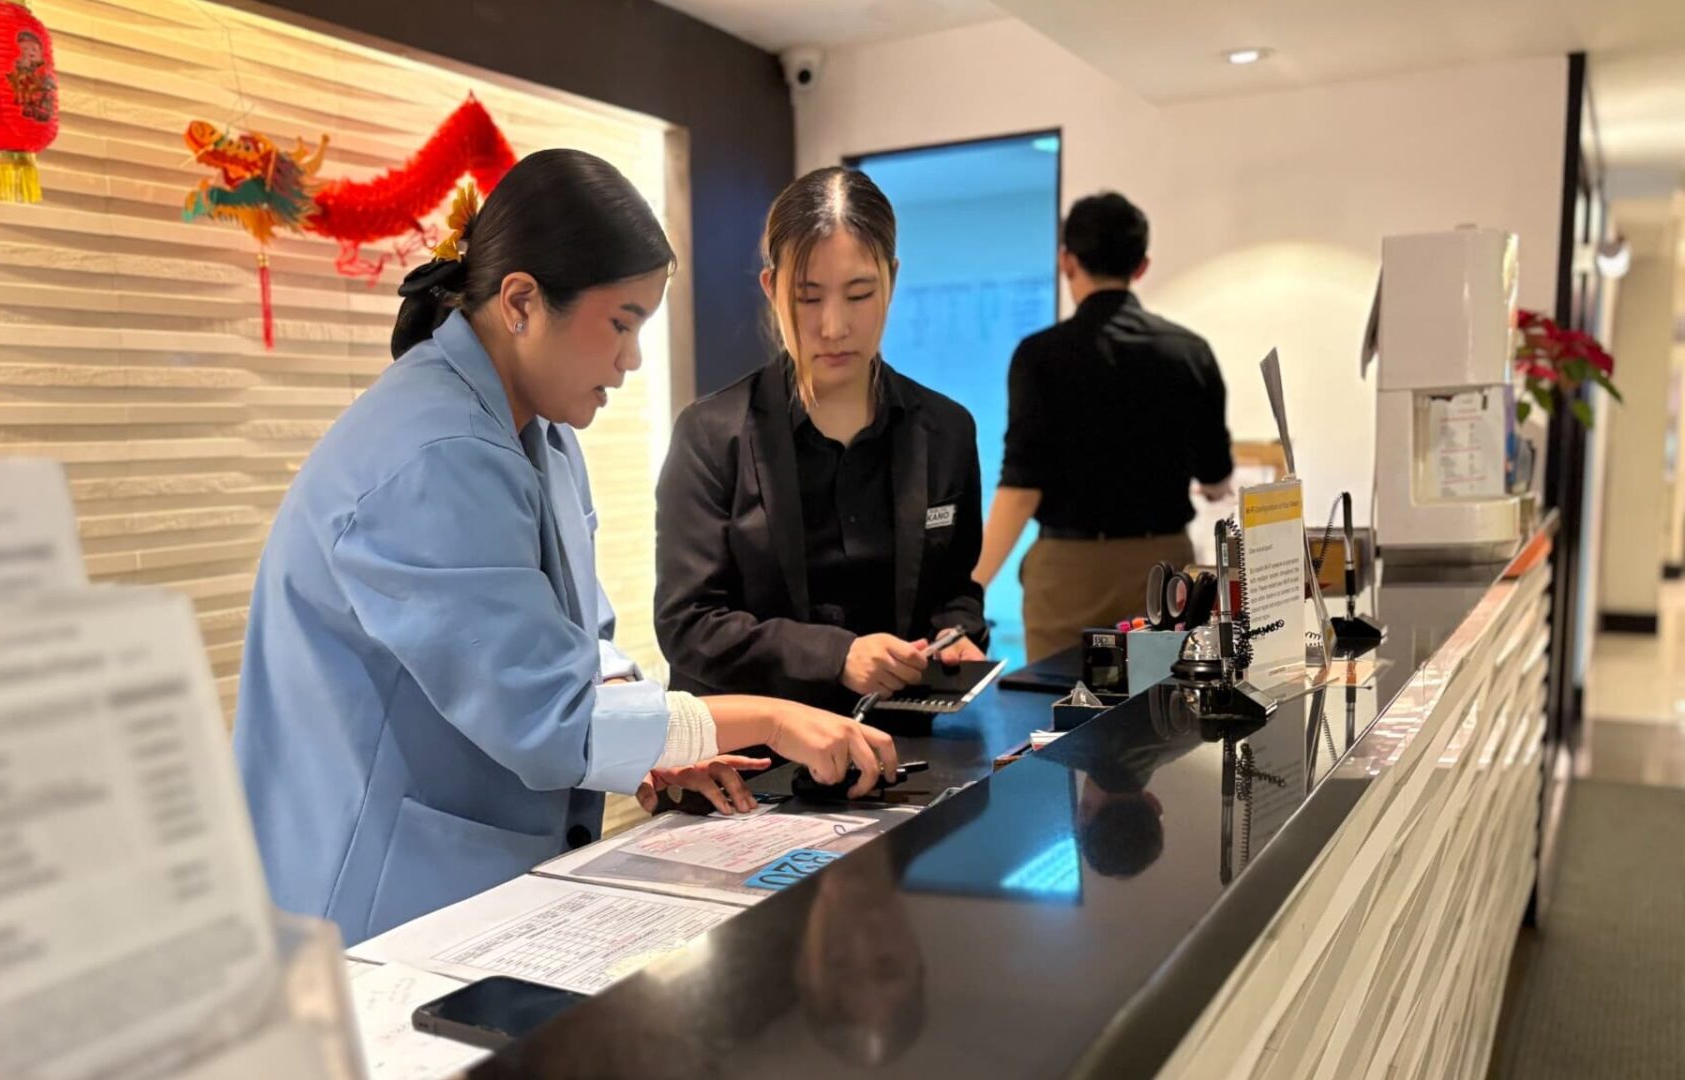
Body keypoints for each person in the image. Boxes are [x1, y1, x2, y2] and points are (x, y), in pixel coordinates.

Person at [232, 150, 899, 943]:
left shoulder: (540, 432)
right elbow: (552, 717)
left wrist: (658, 735)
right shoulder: (434, 453)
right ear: (521, 302)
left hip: (479, 868)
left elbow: (576, 645)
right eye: (622, 323)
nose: (632, 357)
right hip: (372, 890)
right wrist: (774, 720)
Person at [655, 166, 987, 718]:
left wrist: (956, 636)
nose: (834, 326)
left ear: (892, 280)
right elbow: (688, 624)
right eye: (807, 298)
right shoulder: (712, 434)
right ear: (771, 289)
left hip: (900, 739)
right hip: (757, 751)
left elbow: (955, 589)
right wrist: (836, 657)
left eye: (860, 294)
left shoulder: (947, 430)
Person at [973, 191, 1234, 661]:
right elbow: (1214, 472)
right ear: (1141, 266)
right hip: (1162, 572)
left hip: (1067, 576)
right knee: (1164, 698)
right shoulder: (1190, 352)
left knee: (1062, 699)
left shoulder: (1039, 356)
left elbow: (1021, 489)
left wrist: (972, 586)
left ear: (1066, 261)